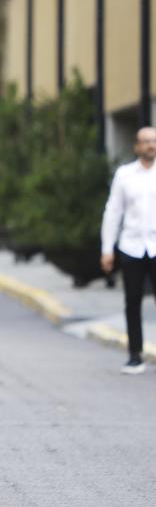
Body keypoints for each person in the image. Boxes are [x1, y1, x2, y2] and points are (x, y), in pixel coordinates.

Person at [100, 126, 156, 374]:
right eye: (146, 141)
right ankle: (135, 355)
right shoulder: (125, 175)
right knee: (132, 301)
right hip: (131, 246)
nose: (150, 145)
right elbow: (113, 212)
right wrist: (107, 249)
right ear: (136, 146)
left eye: (154, 141)